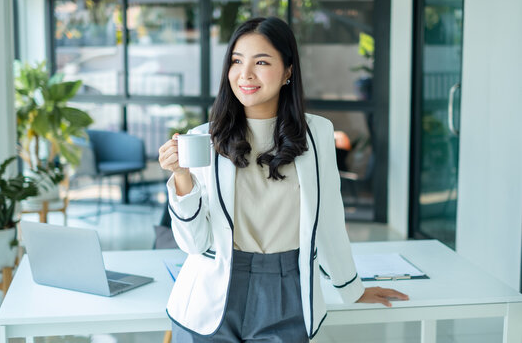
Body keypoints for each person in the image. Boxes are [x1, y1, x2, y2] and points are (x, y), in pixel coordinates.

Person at [158, 17, 408, 342]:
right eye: (236, 61)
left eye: (261, 62)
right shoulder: (203, 139)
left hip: (288, 292)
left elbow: (329, 219)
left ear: (288, 71)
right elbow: (193, 243)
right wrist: (181, 176)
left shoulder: (317, 135)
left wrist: (350, 287)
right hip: (210, 299)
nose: (245, 74)